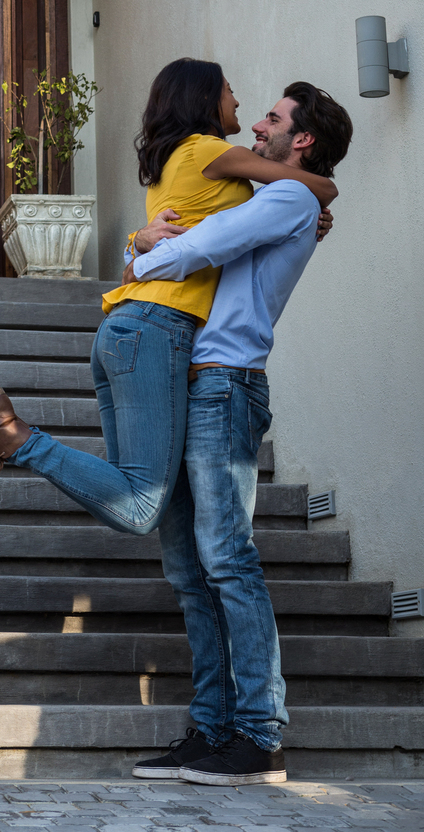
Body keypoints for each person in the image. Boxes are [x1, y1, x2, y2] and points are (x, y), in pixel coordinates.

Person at [0, 59, 336, 540]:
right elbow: (317, 187)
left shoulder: (175, 157)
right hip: (159, 326)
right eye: (229, 90)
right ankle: (7, 433)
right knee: (139, 505)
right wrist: (321, 201)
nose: (239, 103)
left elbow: (188, 231)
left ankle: (6, 431)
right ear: (204, 100)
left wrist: (137, 243)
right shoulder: (211, 150)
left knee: (138, 493)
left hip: (128, 326)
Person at [127, 82, 354, 787]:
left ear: (303, 140)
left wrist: (139, 256)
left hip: (226, 384)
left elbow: (187, 254)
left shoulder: (286, 199)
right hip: (196, 379)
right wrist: (141, 238)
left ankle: (259, 734)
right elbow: (185, 237)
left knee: (227, 559)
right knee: (191, 573)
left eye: (274, 119)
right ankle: (212, 728)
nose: (257, 124)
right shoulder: (276, 198)